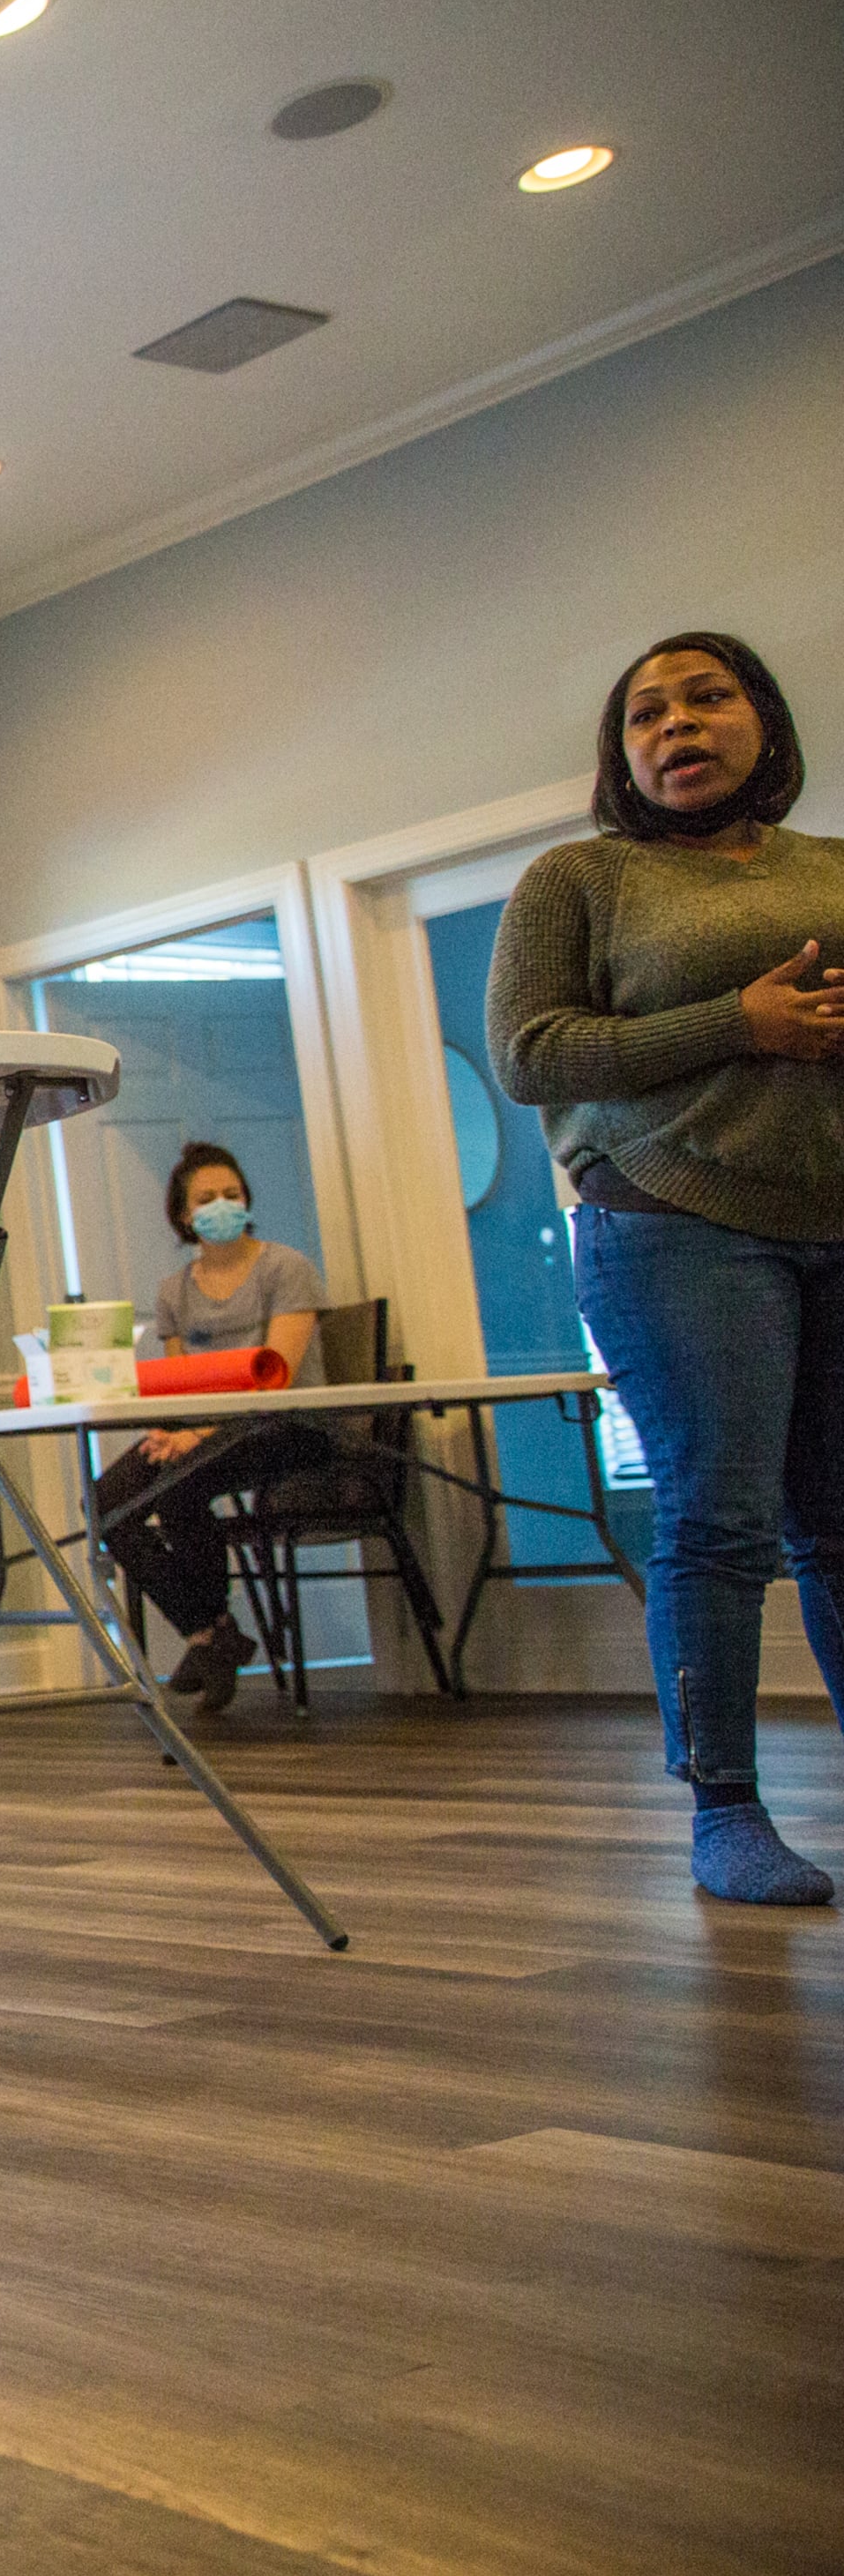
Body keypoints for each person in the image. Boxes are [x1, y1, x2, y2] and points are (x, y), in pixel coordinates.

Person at [491, 630, 841, 1907]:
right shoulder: (580, 881)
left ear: (764, 722)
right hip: (672, 1222)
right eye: (646, 713)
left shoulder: (832, 868)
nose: (676, 726)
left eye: (706, 698)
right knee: (719, 1520)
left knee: (841, 1527)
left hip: (834, 1221)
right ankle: (726, 1814)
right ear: (621, 752)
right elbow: (532, 1053)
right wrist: (735, 1023)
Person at [91, 1142, 325, 1713]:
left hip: (283, 1427)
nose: (222, 1205)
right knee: (107, 1500)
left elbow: (278, 1378)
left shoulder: (286, 1269)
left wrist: (197, 1438)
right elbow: (180, 1381)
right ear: (183, 1215)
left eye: (232, 1195)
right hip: (201, 1434)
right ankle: (210, 1630)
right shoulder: (175, 1291)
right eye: (207, 1198)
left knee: (183, 1482)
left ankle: (212, 1639)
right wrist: (176, 1433)